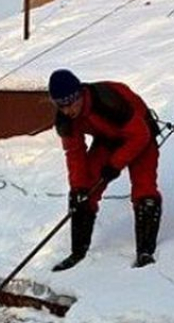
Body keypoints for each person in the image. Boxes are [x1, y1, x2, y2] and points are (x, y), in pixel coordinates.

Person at [47, 69, 162, 271]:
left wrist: (114, 164)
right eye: (61, 105)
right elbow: (74, 153)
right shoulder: (66, 119)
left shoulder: (107, 102)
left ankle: (145, 252)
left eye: (71, 103)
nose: (67, 110)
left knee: (144, 189)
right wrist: (78, 189)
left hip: (140, 135)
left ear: (80, 95)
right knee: (84, 191)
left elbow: (140, 135)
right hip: (108, 139)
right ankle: (78, 252)